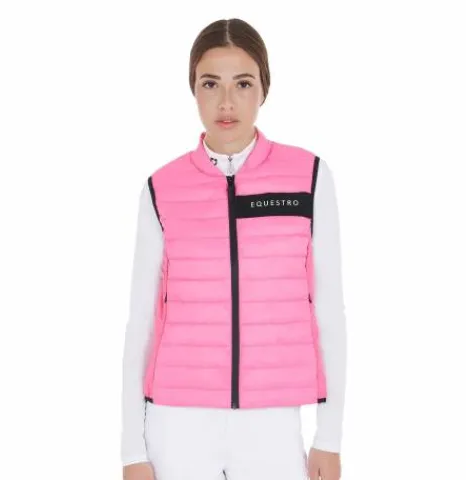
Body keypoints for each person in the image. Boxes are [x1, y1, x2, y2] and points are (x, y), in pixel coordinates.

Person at [121, 18, 347, 480]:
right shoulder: (161, 188)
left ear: (264, 88)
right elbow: (141, 322)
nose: (226, 102)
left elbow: (329, 311)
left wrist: (329, 437)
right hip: (176, 423)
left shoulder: (309, 178)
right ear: (194, 90)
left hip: (272, 424)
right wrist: (131, 450)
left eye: (243, 83)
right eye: (211, 84)